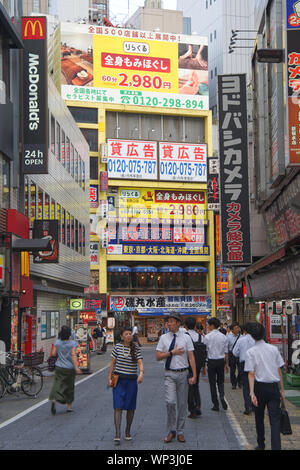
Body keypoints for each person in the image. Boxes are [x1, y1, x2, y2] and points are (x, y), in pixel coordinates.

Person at [156, 312, 197, 444]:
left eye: (172, 321)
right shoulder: (163, 338)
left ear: (179, 323)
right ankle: (171, 430)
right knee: (170, 402)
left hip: (183, 373)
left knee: (182, 404)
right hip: (169, 374)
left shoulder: (186, 338)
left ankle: (180, 431)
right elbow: (158, 357)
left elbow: (191, 357)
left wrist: (194, 375)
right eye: (168, 321)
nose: (169, 323)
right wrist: (171, 353)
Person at [245, 322, 285, 451]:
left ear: (252, 336)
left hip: (259, 388)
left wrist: (251, 393)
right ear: (264, 334)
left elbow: (251, 374)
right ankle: (276, 447)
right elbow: (279, 370)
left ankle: (261, 444)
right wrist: (282, 390)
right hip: (273, 387)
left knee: (259, 417)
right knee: (275, 420)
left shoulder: (250, 352)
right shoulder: (273, 349)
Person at [107, 327, 144, 444]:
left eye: (130, 334)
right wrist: (109, 377)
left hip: (132, 381)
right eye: (126, 334)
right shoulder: (117, 347)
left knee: (130, 407)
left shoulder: (136, 348)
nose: (129, 336)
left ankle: (128, 430)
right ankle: (117, 433)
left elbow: (140, 363)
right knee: (118, 406)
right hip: (118, 380)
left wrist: (141, 373)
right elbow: (112, 363)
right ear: (122, 336)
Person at [49, 325, 82, 415]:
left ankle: (55, 400)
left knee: (58, 384)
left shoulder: (57, 342)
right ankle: (69, 407)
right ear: (69, 334)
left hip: (59, 367)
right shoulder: (73, 344)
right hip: (69, 368)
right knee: (69, 386)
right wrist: (76, 367)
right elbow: (73, 355)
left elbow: (53, 354)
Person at [203, 317, 229, 411]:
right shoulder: (223, 337)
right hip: (221, 361)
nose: (208, 326)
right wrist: (227, 364)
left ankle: (216, 404)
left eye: (209, 325)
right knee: (221, 381)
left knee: (212, 383)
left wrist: (203, 366)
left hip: (211, 361)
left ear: (212, 325)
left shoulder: (207, 337)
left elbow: (205, 350)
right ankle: (222, 396)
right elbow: (226, 352)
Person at [184, 317, 207, 419]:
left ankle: (192, 410)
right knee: (196, 385)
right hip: (198, 365)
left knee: (189, 387)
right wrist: (204, 366)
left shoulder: (185, 337)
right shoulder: (201, 337)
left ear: (185, 325)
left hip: (187, 365)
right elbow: (204, 352)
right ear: (194, 326)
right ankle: (198, 406)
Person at [233, 322, 255, 415]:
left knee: (246, 386)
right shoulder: (255, 340)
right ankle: (255, 406)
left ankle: (248, 406)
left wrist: (241, 354)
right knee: (255, 385)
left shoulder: (241, 340)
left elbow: (234, 352)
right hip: (254, 364)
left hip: (244, 364)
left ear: (244, 330)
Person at [227, 322, 242, 390]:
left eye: (238, 328)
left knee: (241, 370)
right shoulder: (228, 337)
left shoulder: (242, 337)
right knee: (232, 370)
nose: (237, 329)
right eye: (235, 328)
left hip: (239, 355)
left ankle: (239, 381)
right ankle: (233, 383)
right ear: (232, 330)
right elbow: (226, 347)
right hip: (232, 355)